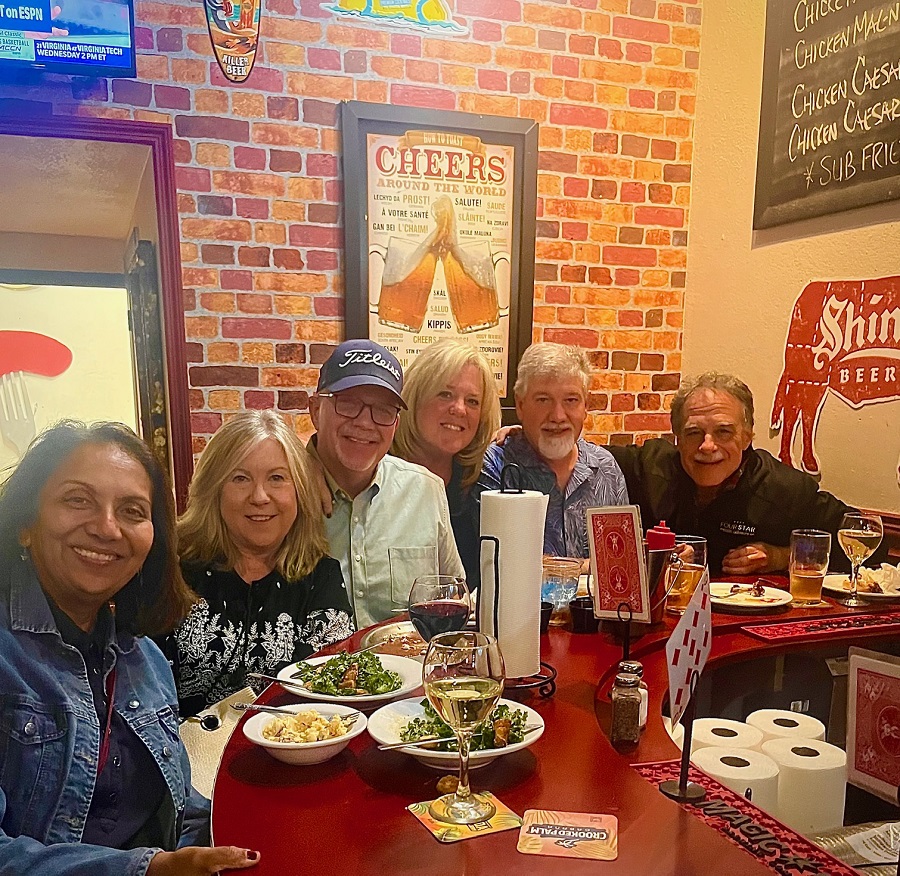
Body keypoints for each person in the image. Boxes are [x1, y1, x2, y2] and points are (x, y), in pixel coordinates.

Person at [0, 421, 259, 875]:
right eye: (77, 500)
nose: (106, 527)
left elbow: (173, 809)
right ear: (26, 522)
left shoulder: (144, 658)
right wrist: (149, 869)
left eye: (133, 511)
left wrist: (250, 829)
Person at [171, 411, 353, 717]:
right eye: (240, 478)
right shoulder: (174, 572)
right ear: (215, 488)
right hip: (183, 756)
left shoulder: (322, 578)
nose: (259, 496)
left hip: (292, 755)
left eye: (277, 478)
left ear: (299, 491)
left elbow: (333, 693)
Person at [608, 372, 863, 576]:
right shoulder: (649, 467)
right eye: (693, 433)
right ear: (677, 438)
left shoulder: (783, 488)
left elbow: (864, 544)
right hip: (662, 621)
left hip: (745, 627)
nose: (707, 446)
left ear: (747, 437)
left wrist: (781, 556)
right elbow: (580, 455)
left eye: (724, 432)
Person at [308, 339, 464, 628]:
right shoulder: (282, 493)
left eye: (383, 410)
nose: (366, 423)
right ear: (316, 410)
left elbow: (453, 598)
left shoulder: (426, 490)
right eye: (349, 404)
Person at [476, 342, 629, 560]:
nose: (558, 415)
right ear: (520, 405)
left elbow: (621, 561)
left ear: (585, 406)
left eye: (571, 400)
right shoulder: (498, 465)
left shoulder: (606, 468)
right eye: (543, 400)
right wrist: (589, 566)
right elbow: (504, 562)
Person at [391, 338, 501, 590]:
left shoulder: (480, 483)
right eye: (445, 394)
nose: (459, 409)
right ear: (415, 397)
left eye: (472, 401)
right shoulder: (378, 474)